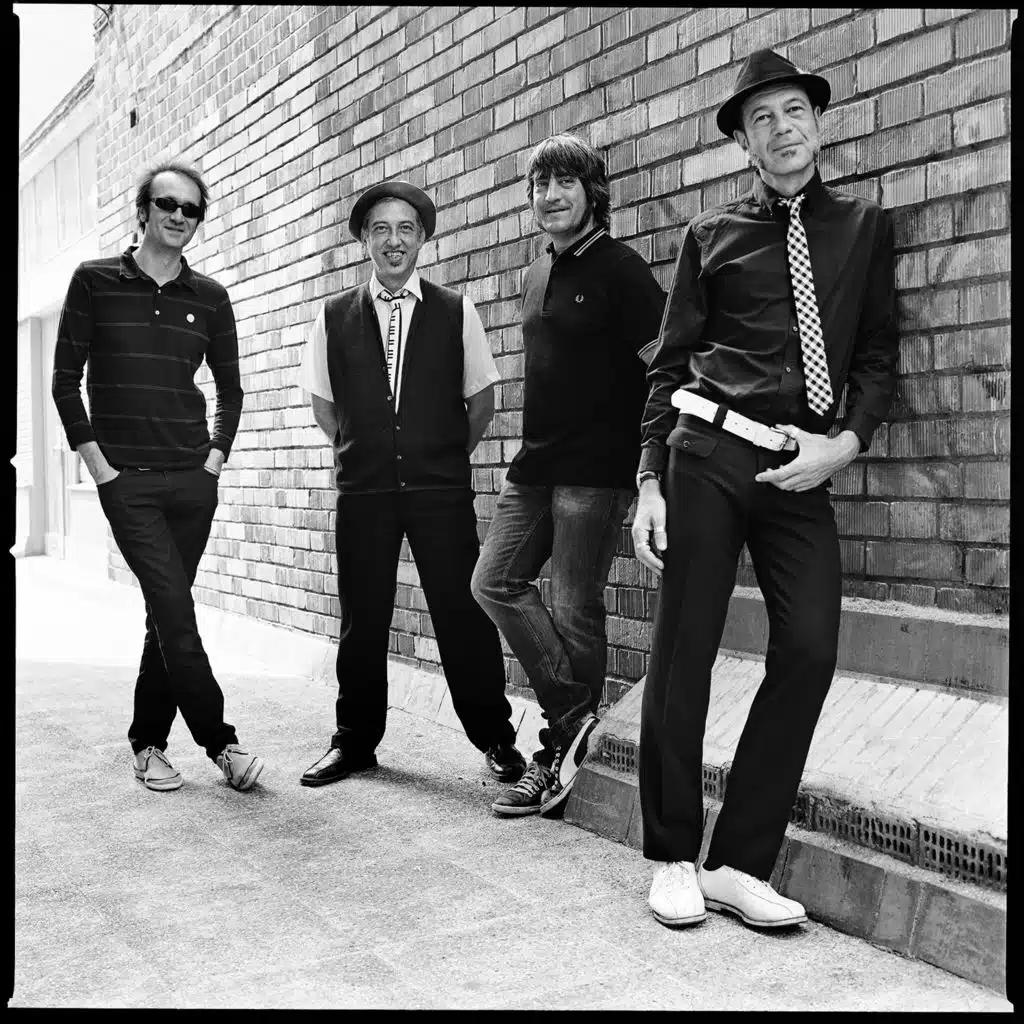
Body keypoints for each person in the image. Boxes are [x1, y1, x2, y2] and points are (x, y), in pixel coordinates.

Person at [632, 49, 898, 929]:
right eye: (762, 119)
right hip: (706, 454)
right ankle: (674, 854)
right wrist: (649, 481)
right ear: (745, 143)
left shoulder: (863, 228)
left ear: (817, 125)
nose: (782, 130)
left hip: (800, 467)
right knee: (685, 652)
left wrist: (842, 448)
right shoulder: (709, 236)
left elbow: (875, 357)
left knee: (811, 649)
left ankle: (739, 862)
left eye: (794, 112)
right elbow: (669, 366)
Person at [299, 180, 526, 789]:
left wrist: (439, 456)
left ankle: (496, 737)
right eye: (380, 229)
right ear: (365, 241)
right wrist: (367, 452)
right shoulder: (333, 316)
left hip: (439, 491)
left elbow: (481, 401)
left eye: (405, 228)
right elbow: (324, 406)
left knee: (462, 613)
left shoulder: (455, 310)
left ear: (422, 237)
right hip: (365, 492)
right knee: (362, 618)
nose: (393, 240)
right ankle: (354, 742)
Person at [51, 160, 264, 793]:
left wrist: (214, 460)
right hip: (129, 483)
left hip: (193, 481)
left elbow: (231, 390)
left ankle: (147, 743)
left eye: (190, 209)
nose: (178, 215)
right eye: (167, 204)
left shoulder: (210, 297)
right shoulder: (93, 282)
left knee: (164, 615)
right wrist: (100, 468)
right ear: (143, 210)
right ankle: (221, 743)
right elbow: (64, 382)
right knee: (175, 609)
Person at [471, 134, 666, 819]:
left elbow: (665, 370)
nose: (549, 195)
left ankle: (557, 752)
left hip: (596, 471)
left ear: (592, 193)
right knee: (493, 581)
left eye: (564, 182)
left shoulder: (623, 270)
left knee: (576, 605)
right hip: (535, 466)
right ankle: (577, 718)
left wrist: (652, 465)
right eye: (539, 185)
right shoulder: (536, 273)